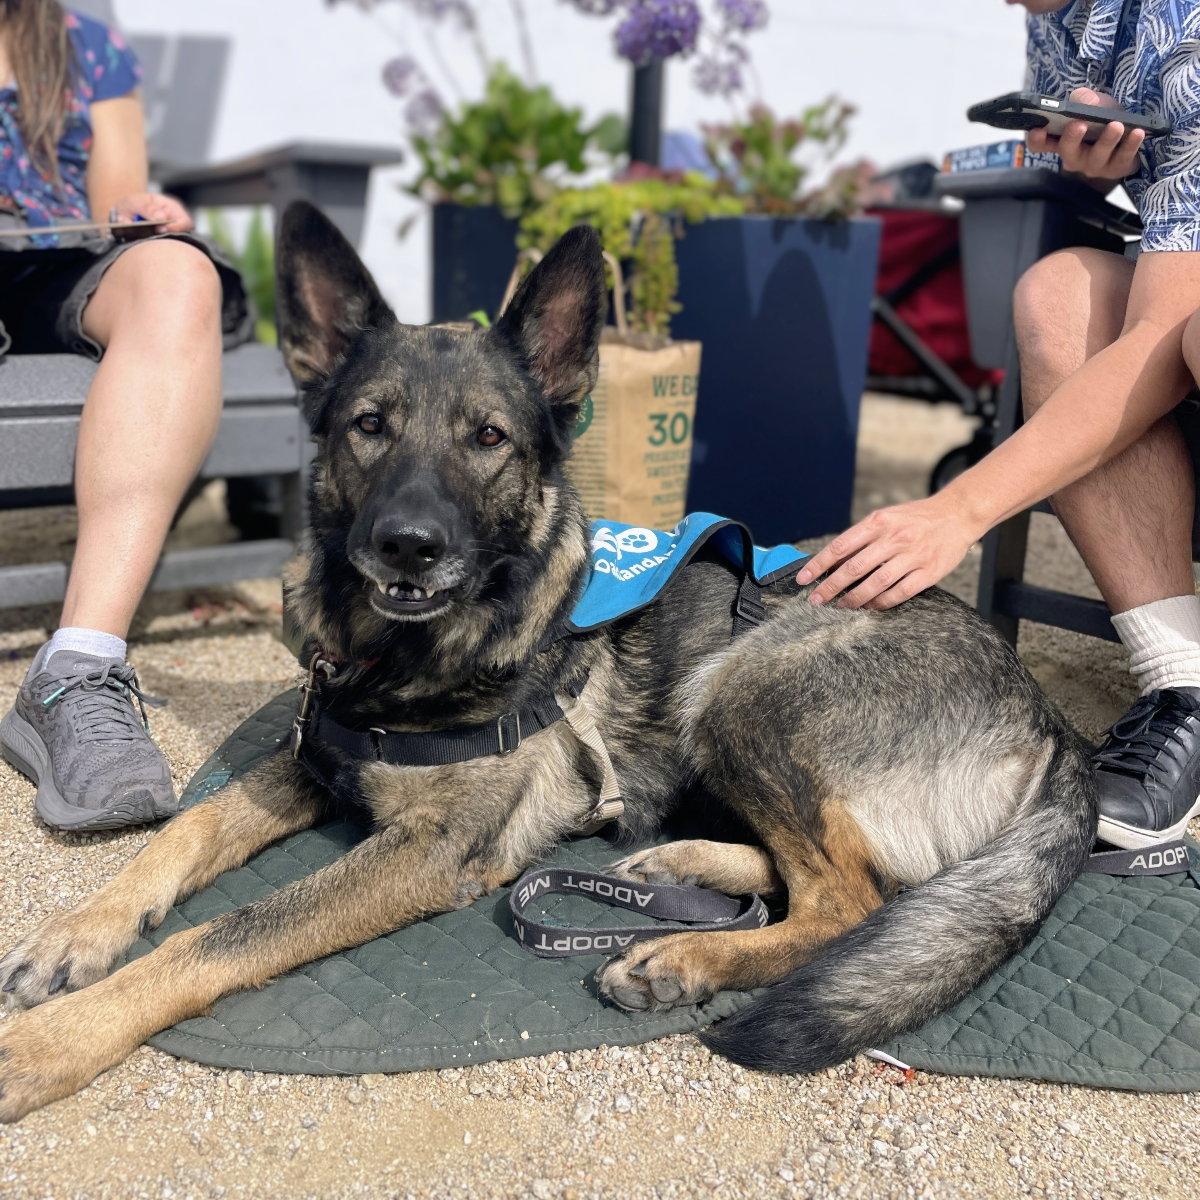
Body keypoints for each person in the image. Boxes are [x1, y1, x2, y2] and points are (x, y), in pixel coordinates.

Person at [798, 0, 1200, 848]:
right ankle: (1185, 687)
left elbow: (1163, 337)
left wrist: (960, 510)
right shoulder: (1054, 18)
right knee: (1056, 296)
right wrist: (1092, 167)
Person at [0, 1, 251, 831]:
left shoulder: (81, 44)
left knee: (179, 276)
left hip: (51, 268)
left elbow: (111, 200)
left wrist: (140, 219)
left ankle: (78, 668)